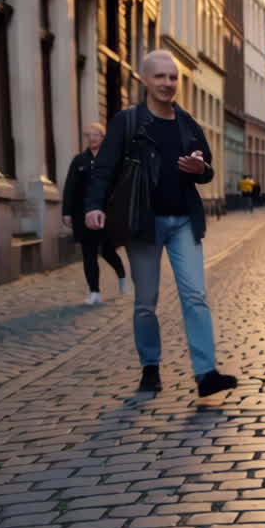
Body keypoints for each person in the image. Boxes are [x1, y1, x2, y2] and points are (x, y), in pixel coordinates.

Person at [84, 49, 239, 400]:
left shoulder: (186, 122)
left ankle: (206, 373)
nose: (168, 83)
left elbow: (206, 166)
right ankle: (150, 368)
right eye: (160, 77)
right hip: (144, 223)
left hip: (184, 219)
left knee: (195, 296)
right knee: (146, 302)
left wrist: (203, 169)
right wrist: (93, 206)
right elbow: (104, 168)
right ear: (145, 80)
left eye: (172, 78)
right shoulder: (127, 122)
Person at [62, 122, 128, 305]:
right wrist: (66, 212)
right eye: (88, 135)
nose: (91, 138)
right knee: (89, 253)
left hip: (107, 214)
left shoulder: (111, 159)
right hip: (82, 214)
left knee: (107, 251)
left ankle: (121, 274)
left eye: (95, 135)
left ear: (102, 137)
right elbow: (70, 187)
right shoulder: (79, 161)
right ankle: (94, 291)